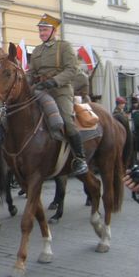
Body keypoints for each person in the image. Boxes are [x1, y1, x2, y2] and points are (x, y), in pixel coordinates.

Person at [28, 13, 87, 176]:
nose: (41, 33)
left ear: (54, 31)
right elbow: (31, 72)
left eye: (44, 30)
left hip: (60, 91)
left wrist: (54, 81)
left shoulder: (64, 46)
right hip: (40, 90)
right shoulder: (37, 50)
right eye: (40, 30)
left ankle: (80, 158)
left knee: (67, 121)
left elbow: (72, 70)